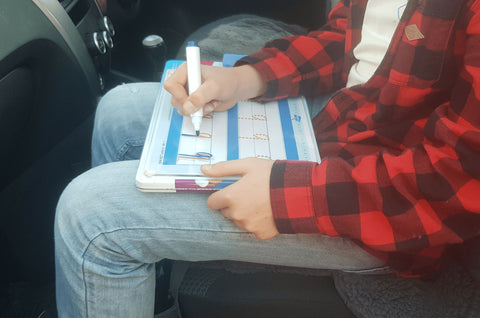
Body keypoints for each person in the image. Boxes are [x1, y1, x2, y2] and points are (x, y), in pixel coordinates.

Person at [55, 0, 480, 317]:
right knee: (119, 111)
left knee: (90, 218)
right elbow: (352, 43)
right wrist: (245, 77)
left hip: (382, 210)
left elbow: (459, 180)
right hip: (345, 122)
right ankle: (147, 287)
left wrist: (286, 198)